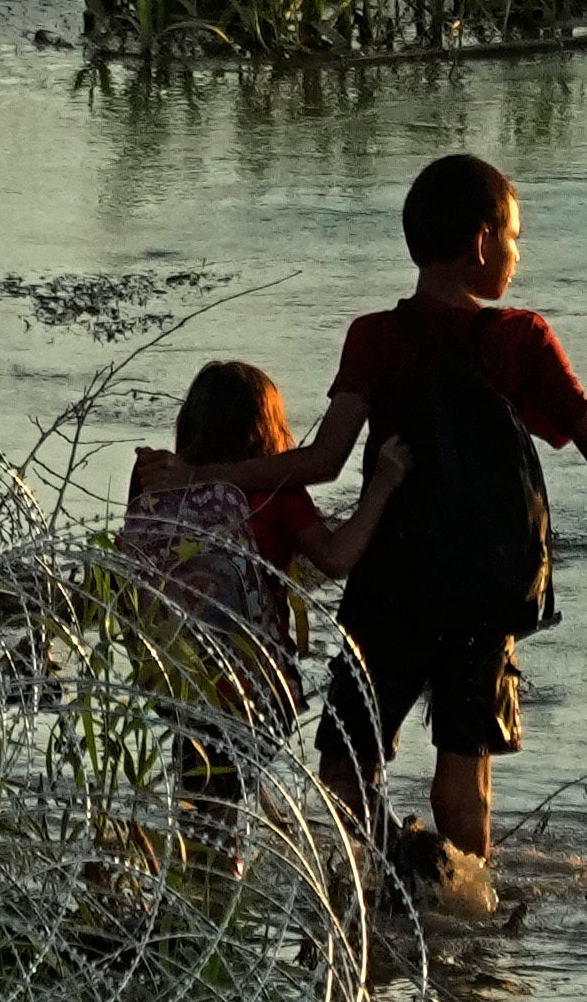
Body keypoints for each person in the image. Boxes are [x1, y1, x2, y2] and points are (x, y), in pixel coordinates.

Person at [269, 152, 587, 915]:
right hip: (483, 592)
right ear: (481, 243)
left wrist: (200, 475)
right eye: (513, 238)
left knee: (346, 764)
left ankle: (375, 888)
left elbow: (321, 461)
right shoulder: (521, 339)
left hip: (391, 582)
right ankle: (464, 928)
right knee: (464, 771)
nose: (516, 255)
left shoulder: (375, 337)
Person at [117, 357, 408, 850]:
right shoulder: (276, 492)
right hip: (254, 684)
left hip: (178, 676)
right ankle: (216, 898)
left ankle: (195, 893)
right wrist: (383, 484)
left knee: (201, 796)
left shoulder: (156, 482)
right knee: (223, 805)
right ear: (267, 426)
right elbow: (337, 559)